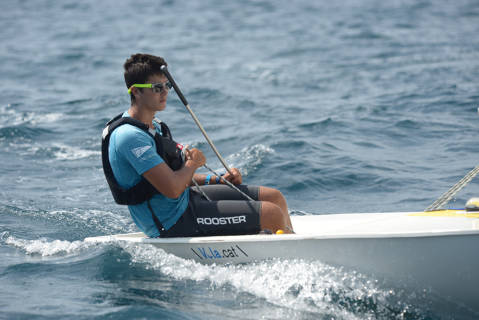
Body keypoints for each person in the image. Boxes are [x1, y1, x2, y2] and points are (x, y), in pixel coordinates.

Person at [101, 53, 293, 238]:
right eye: (157, 88)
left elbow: (175, 175)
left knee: (273, 197)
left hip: (186, 200)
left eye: (167, 86)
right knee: (271, 213)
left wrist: (216, 179)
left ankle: (295, 245)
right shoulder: (130, 137)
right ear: (136, 91)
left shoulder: (155, 126)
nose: (165, 92)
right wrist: (193, 164)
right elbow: (173, 188)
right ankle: (286, 260)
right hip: (170, 221)